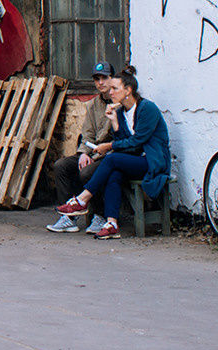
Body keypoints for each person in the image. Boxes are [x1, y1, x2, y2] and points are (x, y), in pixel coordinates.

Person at [55, 65, 170, 240]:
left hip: (152, 162)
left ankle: (81, 200)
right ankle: (111, 223)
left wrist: (109, 146)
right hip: (134, 160)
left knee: (112, 158)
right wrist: (115, 123)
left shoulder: (147, 108)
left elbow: (137, 141)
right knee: (114, 173)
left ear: (128, 90)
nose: (111, 92)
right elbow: (126, 144)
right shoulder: (121, 112)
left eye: (115, 88)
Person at [46, 63, 122, 233]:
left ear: (112, 79)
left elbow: (120, 135)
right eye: (97, 79)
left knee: (87, 172)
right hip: (93, 151)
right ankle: (68, 217)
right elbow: (87, 133)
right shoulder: (93, 104)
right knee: (61, 166)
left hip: (110, 153)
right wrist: (83, 153)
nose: (101, 82)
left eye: (104, 78)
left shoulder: (119, 103)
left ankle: (100, 216)